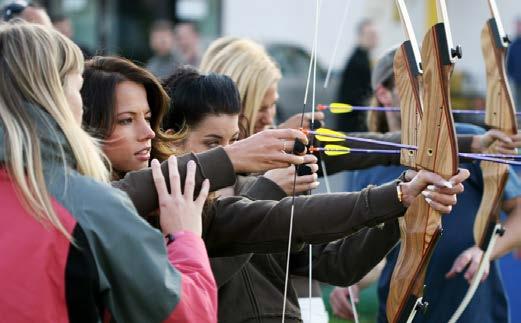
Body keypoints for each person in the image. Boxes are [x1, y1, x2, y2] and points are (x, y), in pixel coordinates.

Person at [0, 22, 217, 322]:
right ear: (54, 97)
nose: (148, 132)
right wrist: (186, 238)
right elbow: (190, 314)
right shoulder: (87, 206)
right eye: (76, 89)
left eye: (149, 118)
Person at [329, 48, 521, 323]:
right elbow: (379, 255)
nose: (429, 97)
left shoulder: (469, 139)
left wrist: (485, 252)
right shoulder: (370, 163)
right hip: (402, 311)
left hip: (473, 310)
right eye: (417, 86)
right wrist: (353, 282)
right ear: (384, 94)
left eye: (433, 86)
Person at [336, 19, 379, 132]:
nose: (373, 38)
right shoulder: (358, 61)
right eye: (370, 35)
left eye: (375, 35)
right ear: (360, 37)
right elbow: (356, 95)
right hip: (353, 122)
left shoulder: (363, 58)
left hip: (355, 118)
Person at [507, 17, 521, 111]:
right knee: (518, 104)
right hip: (517, 81)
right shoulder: (513, 44)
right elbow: (509, 63)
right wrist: (511, 76)